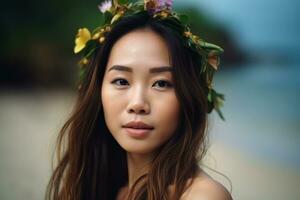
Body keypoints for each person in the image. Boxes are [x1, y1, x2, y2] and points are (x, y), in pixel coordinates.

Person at [46, 0, 232, 199]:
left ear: (188, 97)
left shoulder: (202, 196)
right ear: (98, 91)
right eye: (121, 81)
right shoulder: (99, 188)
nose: (137, 104)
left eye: (161, 83)